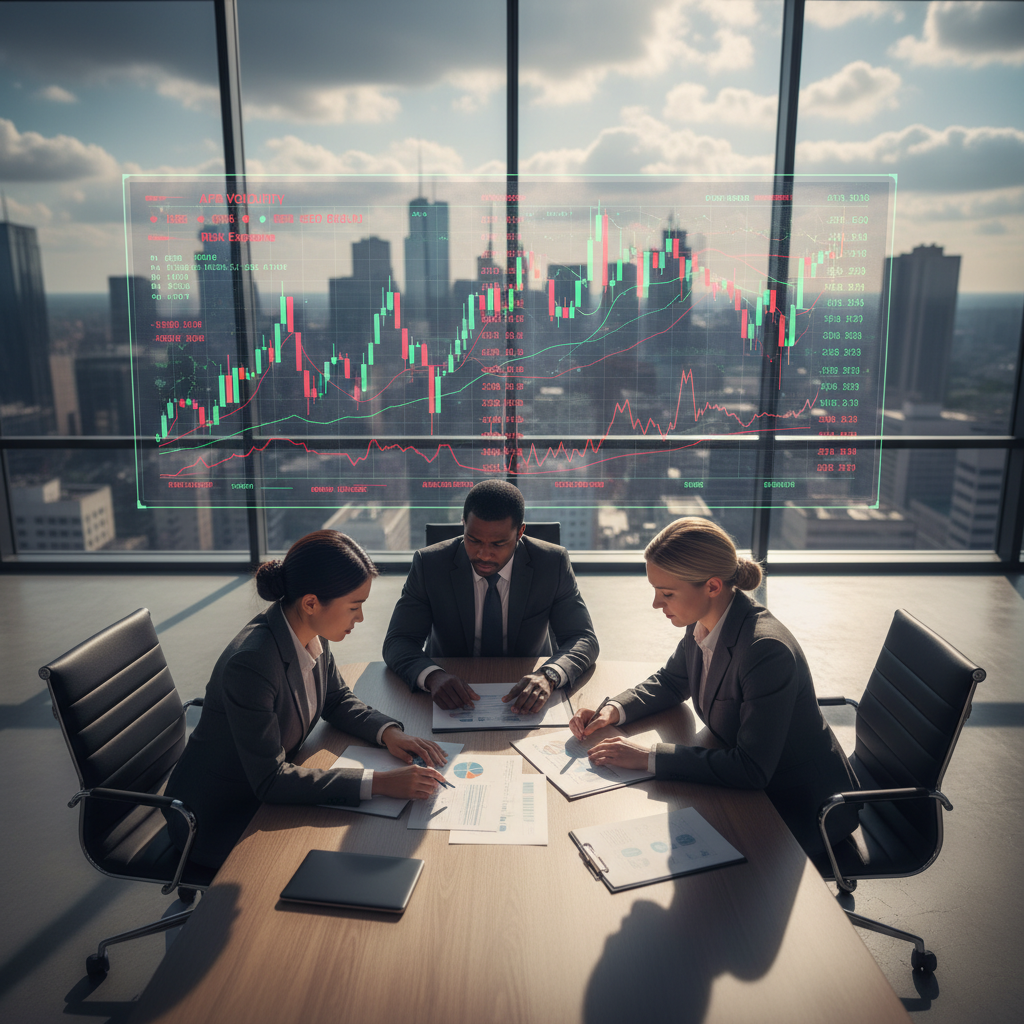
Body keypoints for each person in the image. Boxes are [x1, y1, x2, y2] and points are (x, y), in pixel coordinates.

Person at [568, 517, 860, 857]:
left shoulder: (766, 651)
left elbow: (751, 770)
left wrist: (648, 757)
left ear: (712, 586)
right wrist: (612, 710)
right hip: (745, 787)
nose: (656, 604)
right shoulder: (707, 620)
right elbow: (672, 680)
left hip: (799, 807)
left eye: (667, 593)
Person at [164, 530, 447, 870]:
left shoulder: (307, 630)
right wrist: (381, 782)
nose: (360, 619)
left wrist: (389, 733)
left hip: (267, 789)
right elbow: (270, 781)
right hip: (221, 814)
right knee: (346, 858)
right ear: (311, 602)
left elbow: (335, 698)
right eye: (354, 607)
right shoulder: (251, 663)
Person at [383, 479, 599, 714]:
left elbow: (583, 638)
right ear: (463, 524)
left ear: (520, 533)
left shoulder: (552, 563)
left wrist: (549, 675)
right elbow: (398, 641)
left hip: (526, 689)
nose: (483, 554)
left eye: (498, 543)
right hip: (450, 689)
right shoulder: (429, 565)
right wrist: (432, 676)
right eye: (473, 540)